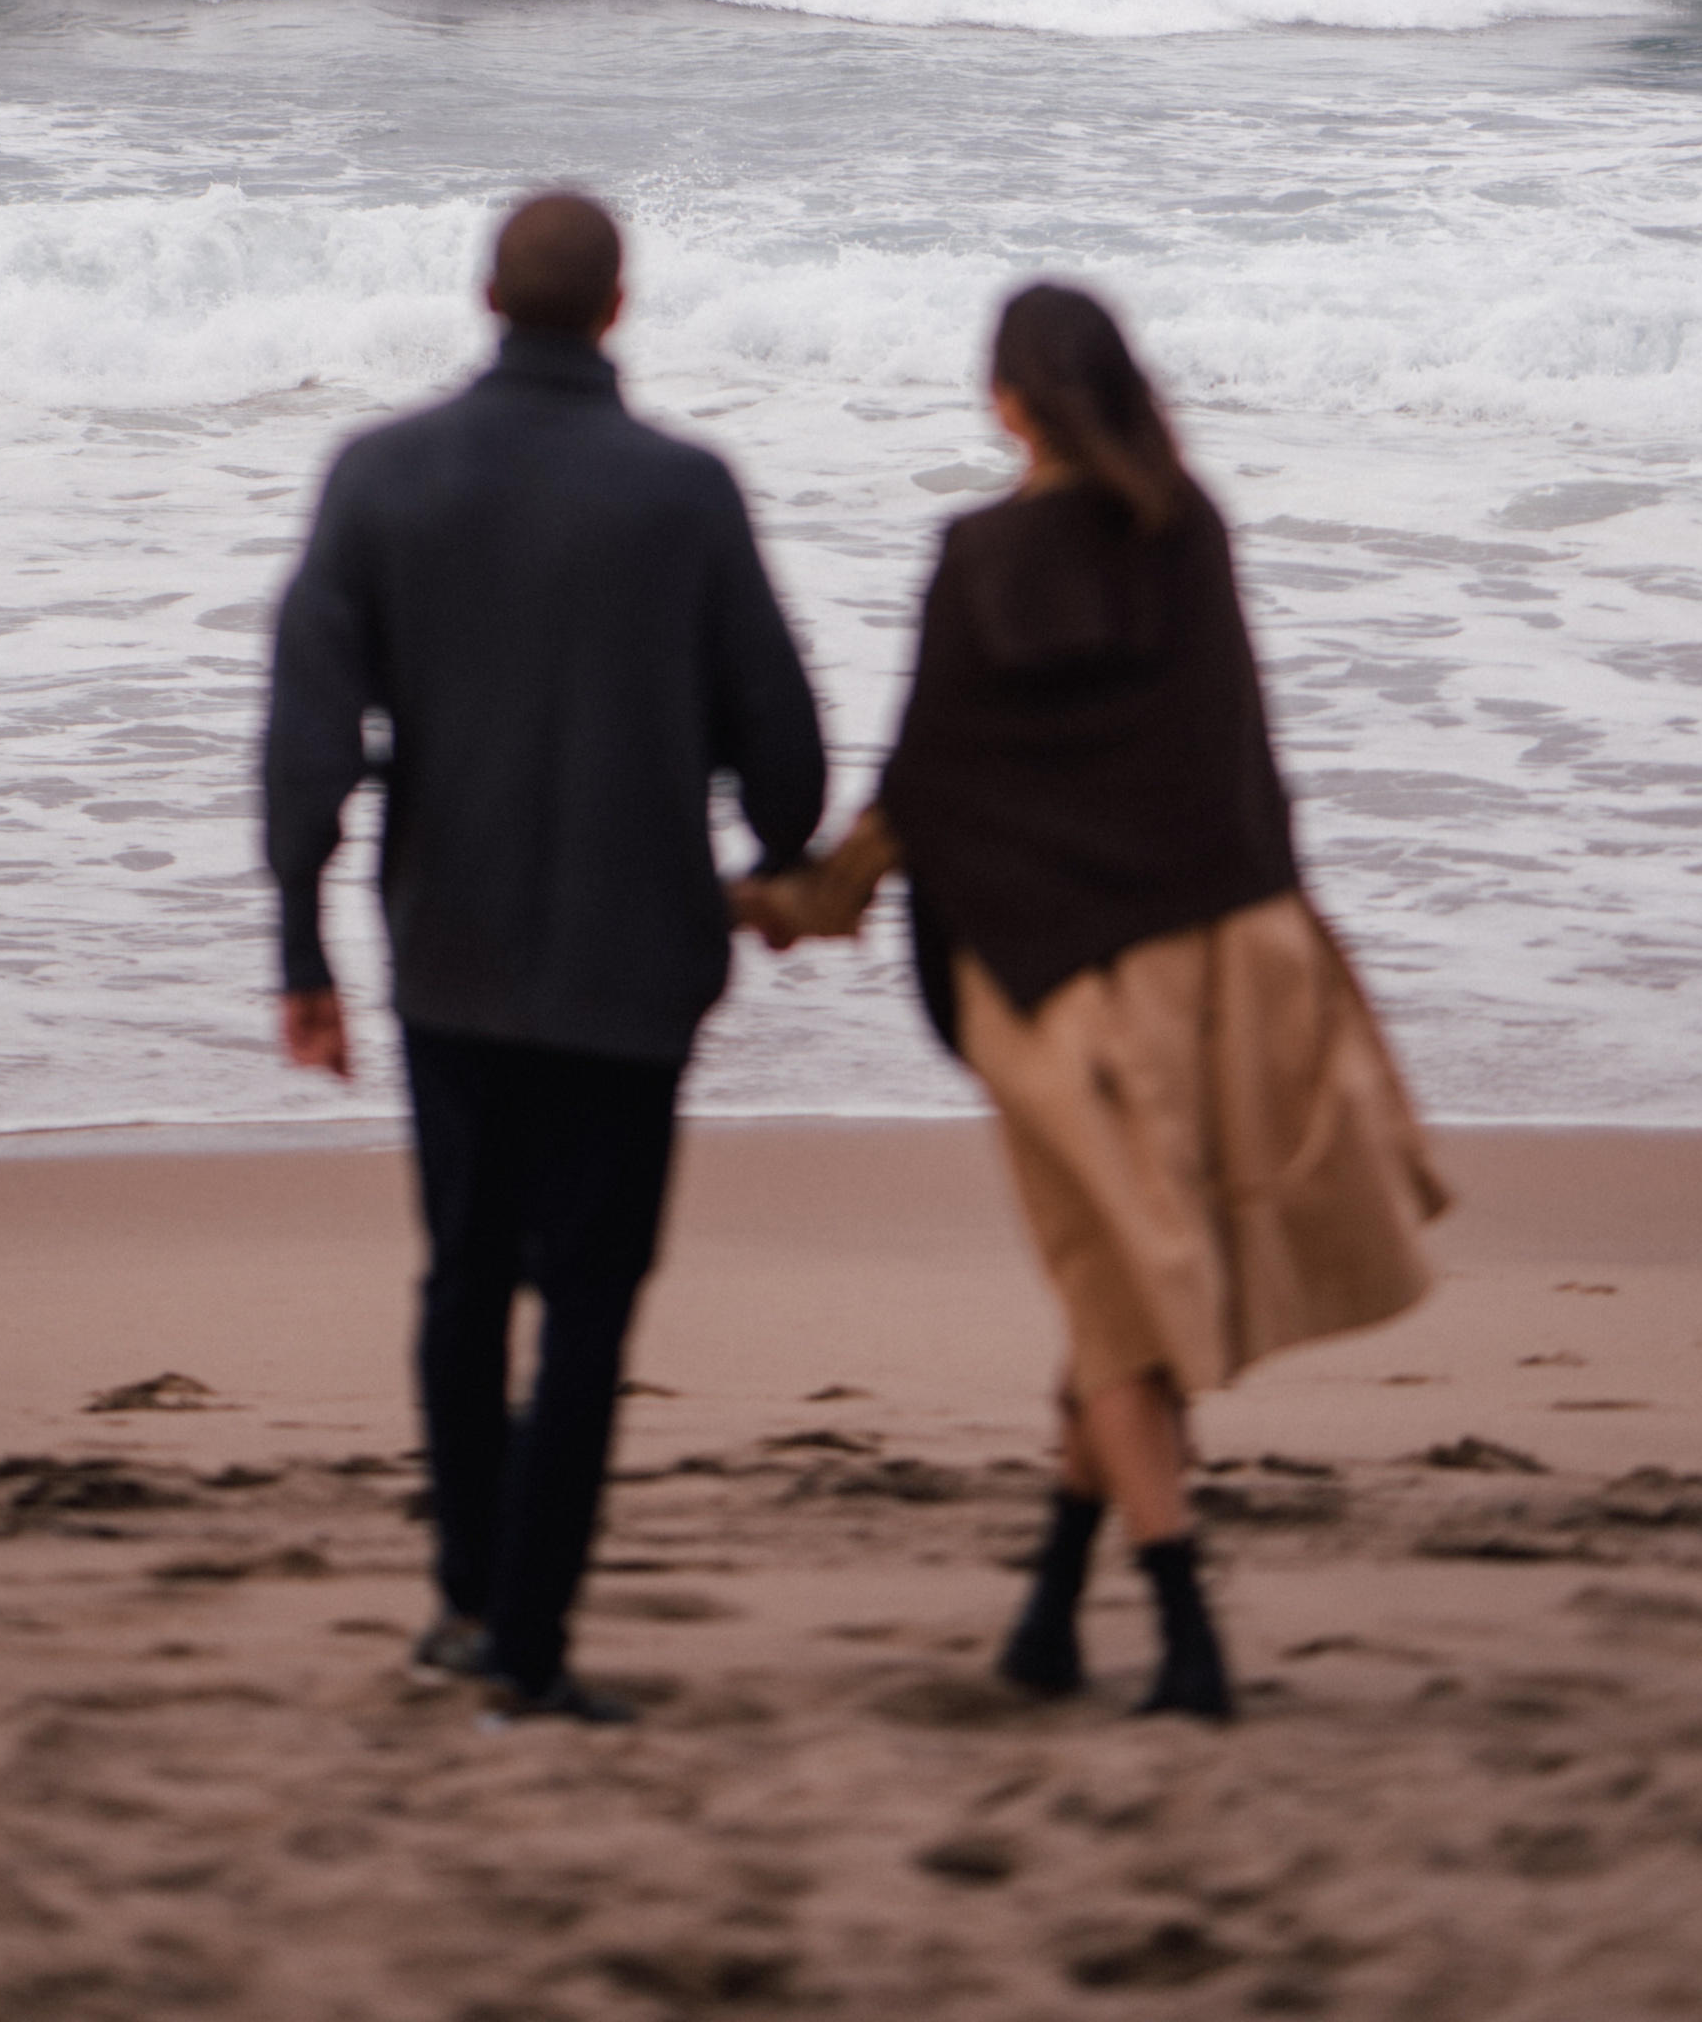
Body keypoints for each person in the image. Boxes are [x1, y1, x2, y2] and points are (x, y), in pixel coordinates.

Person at [740, 282, 1445, 1722]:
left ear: (1006, 403)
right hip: (1238, 958)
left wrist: (806, 903)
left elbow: (927, 783)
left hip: (1067, 985)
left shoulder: (984, 553)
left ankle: (1185, 1633)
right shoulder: (1191, 531)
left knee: (1107, 1290)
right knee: (1121, 1281)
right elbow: (1229, 752)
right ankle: (1054, 1607)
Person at [264, 188, 826, 1724]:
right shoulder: (687, 492)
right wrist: (779, 865)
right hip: (635, 965)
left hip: (450, 949)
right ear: (618, 305)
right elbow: (781, 727)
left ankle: (463, 1595)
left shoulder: (382, 477)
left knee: (463, 1278)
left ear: (486, 293)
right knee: (588, 1298)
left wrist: (299, 947)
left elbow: (308, 737)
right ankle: (532, 1641)